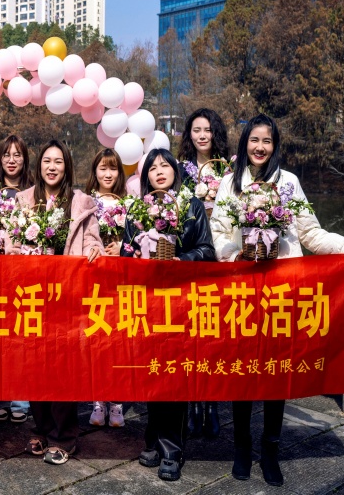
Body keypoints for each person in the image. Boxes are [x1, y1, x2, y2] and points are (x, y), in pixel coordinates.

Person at [210, 113, 344, 487]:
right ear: (244, 143)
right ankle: (241, 448)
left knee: (276, 371)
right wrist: (234, 255)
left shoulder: (289, 183)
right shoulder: (230, 183)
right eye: (254, 139)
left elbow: (309, 232)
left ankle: (270, 450)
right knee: (242, 370)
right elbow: (217, 232)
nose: (260, 147)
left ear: (275, 145)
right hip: (241, 290)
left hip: (282, 289)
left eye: (267, 141)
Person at [121, 148, 215, 482]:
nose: (159, 170)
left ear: (176, 171)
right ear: (145, 176)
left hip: (181, 301)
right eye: (152, 167)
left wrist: (182, 260)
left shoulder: (191, 206)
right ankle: (153, 437)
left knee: (174, 374)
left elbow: (207, 251)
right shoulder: (137, 209)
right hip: (147, 302)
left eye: (165, 165)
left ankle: (172, 449)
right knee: (151, 371)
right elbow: (126, 252)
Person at [10, 139, 102, 466]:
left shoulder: (81, 203)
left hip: (67, 298)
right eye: (47, 161)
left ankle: (65, 436)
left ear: (67, 167)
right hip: (33, 297)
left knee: (63, 369)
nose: (52, 167)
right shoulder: (23, 201)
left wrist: (94, 252)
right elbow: (11, 246)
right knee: (34, 367)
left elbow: (92, 243)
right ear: (39, 166)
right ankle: (41, 428)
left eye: (58, 161)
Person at [177, 109, 230, 439]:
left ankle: (211, 404)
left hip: (218, 258)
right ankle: (192, 403)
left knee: (212, 333)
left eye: (207, 130)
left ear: (215, 133)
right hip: (190, 255)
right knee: (188, 333)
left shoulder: (229, 170)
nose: (201, 135)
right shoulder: (180, 170)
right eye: (196, 130)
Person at [0, 134, 33, 424]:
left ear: (25, 159)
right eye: (6, 155)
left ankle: (21, 398)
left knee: (22, 335)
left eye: (17, 155)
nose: (12, 160)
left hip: (25, 273)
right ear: (0, 159)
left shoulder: (34, 191)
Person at [83, 148, 127, 428]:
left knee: (119, 341)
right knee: (97, 340)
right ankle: (98, 400)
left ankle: (117, 402)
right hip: (95, 280)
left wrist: (122, 246)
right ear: (95, 172)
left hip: (121, 281)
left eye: (112, 168)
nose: (108, 174)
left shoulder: (130, 202)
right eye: (103, 168)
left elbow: (139, 237)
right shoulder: (86, 202)